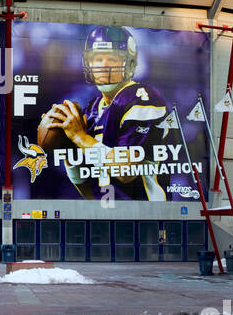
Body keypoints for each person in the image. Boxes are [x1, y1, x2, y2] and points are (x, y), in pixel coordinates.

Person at [41, 26, 171, 201]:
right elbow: (91, 194)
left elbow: (127, 171)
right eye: (97, 58)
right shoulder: (92, 109)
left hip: (146, 216)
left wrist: (80, 137)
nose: (103, 65)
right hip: (108, 215)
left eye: (112, 58)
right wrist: (69, 154)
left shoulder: (142, 98)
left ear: (130, 65)